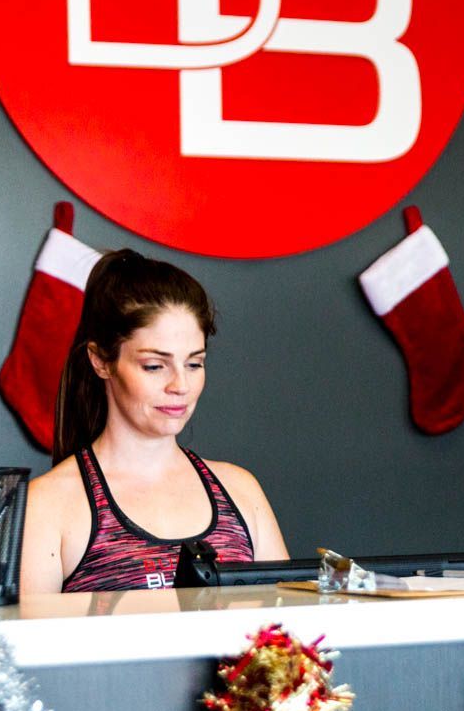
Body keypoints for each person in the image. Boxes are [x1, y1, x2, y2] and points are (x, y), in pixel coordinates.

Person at [20, 249, 289, 594]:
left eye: (194, 364)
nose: (180, 385)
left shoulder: (241, 490)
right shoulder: (46, 505)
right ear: (101, 361)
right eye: (154, 366)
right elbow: (32, 647)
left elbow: (289, 638)